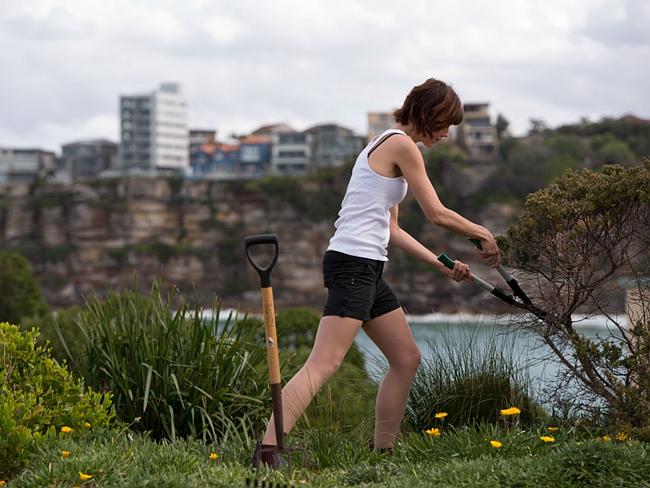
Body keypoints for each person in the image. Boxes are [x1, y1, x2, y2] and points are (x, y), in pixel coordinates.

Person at [252, 78, 501, 467]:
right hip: (352, 264)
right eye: (444, 124)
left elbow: (393, 230)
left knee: (406, 357)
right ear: (428, 114)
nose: (446, 134)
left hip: (367, 267)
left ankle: (382, 451)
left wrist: (444, 264)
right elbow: (436, 214)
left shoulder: (389, 146)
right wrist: (482, 233)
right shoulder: (400, 144)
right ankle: (267, 452)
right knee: (324, 363)